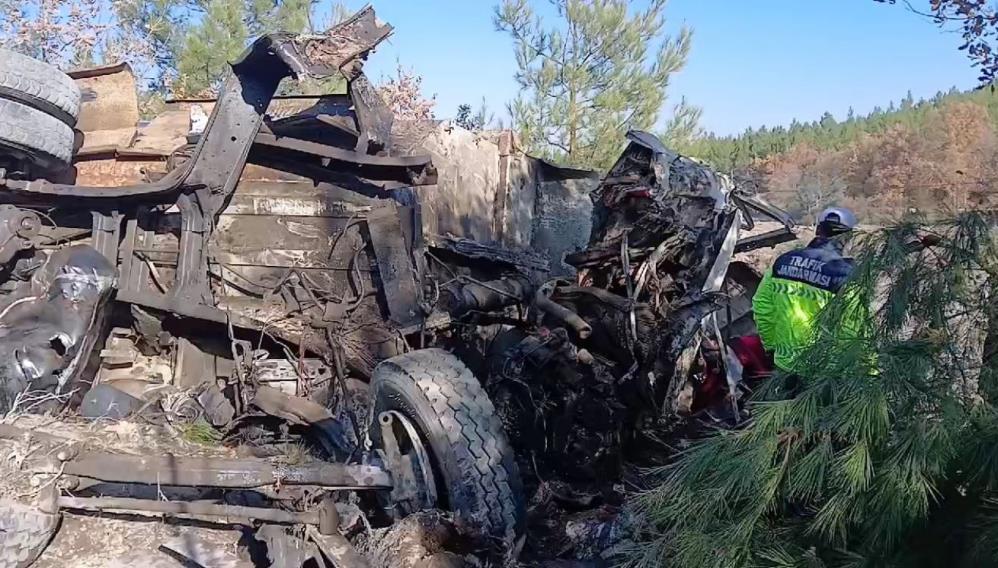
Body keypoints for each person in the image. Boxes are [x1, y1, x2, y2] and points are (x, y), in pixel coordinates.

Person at [751, 207, 859, 373]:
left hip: (784, 365)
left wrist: (772, 348)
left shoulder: (783, 262)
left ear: (818, 230)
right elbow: (853, 327)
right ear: (849, 237)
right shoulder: (846, 274)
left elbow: (761, 306)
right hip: (824, 374)